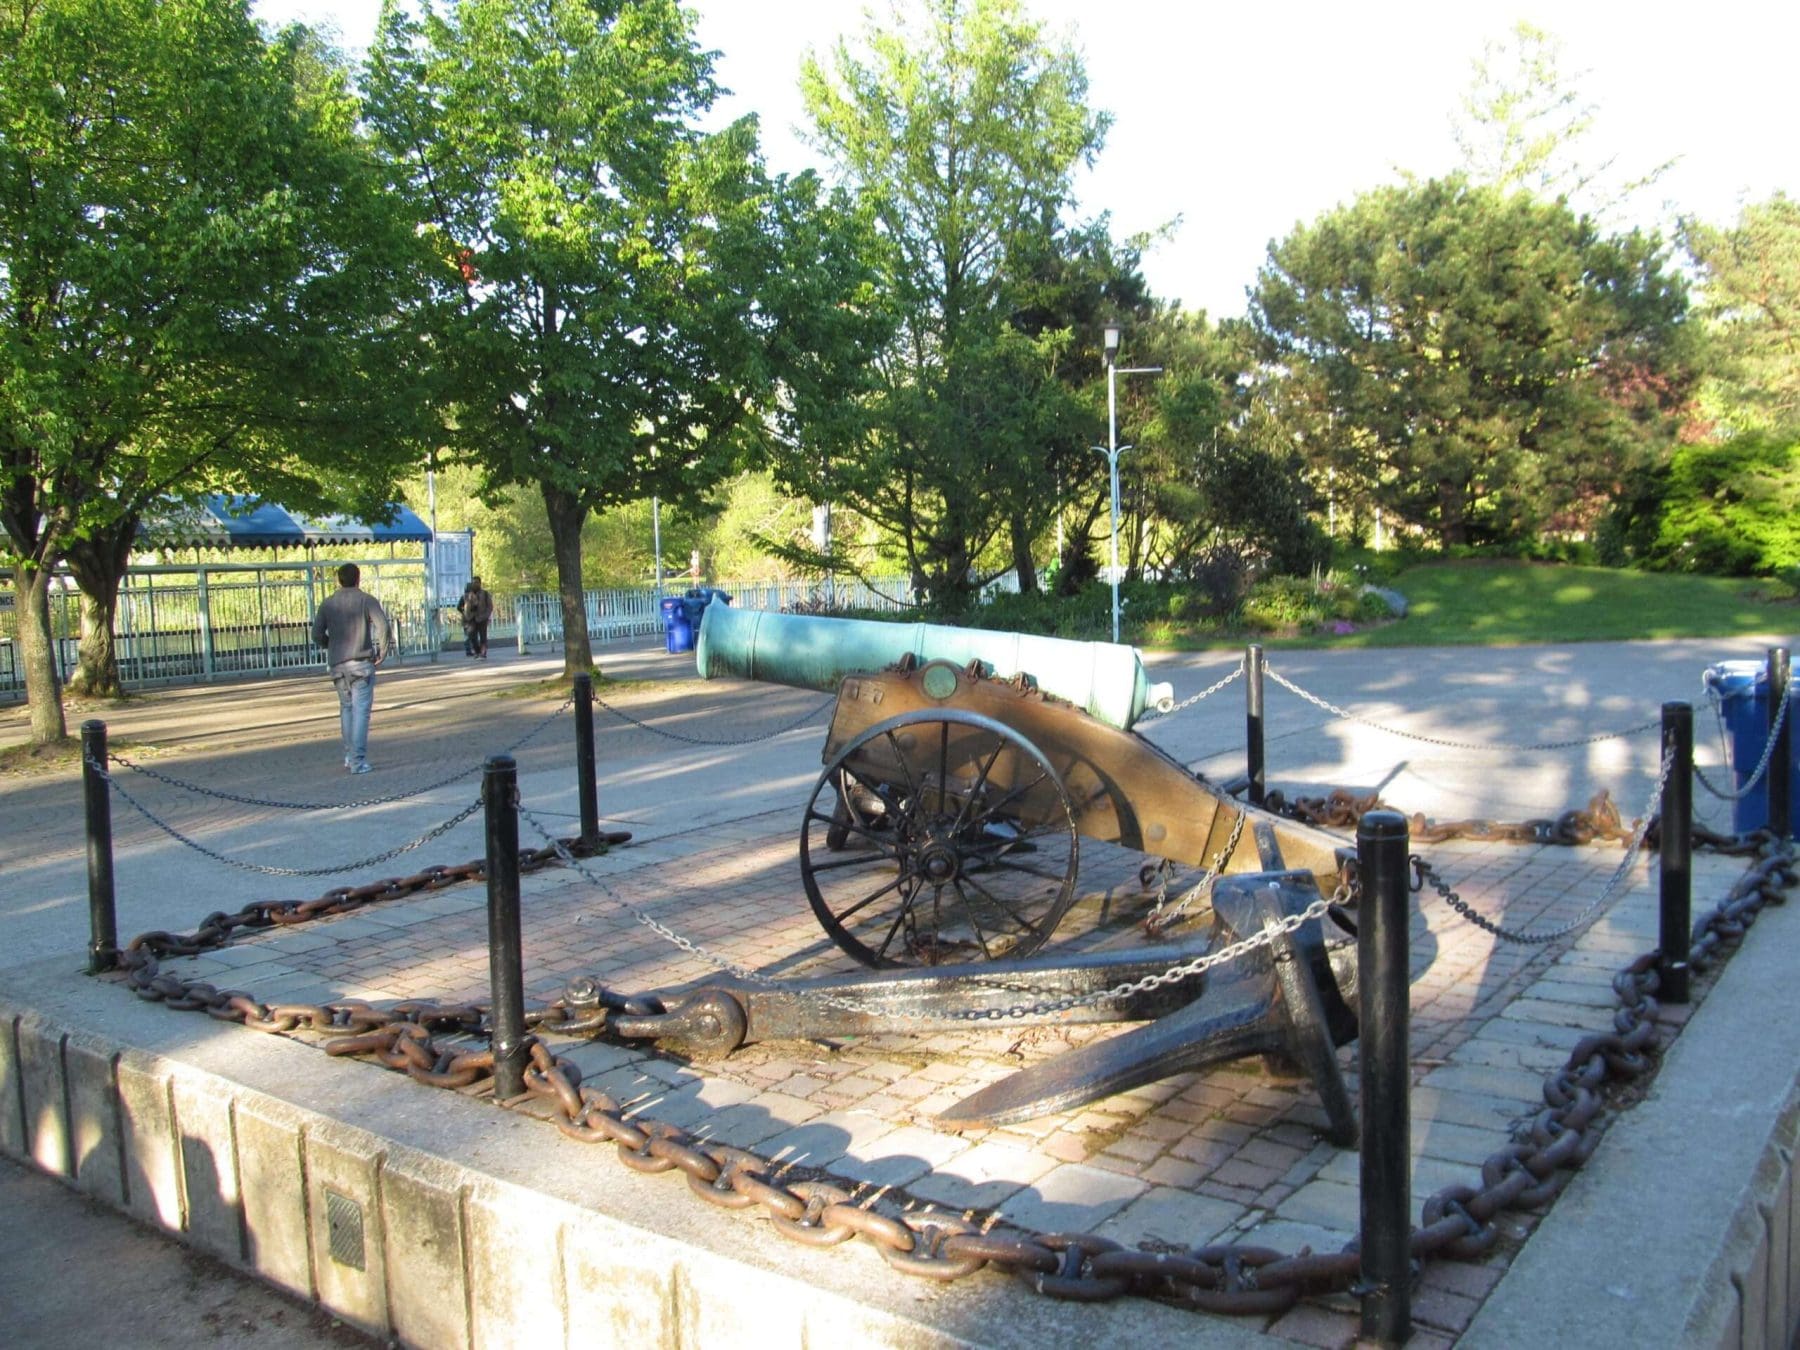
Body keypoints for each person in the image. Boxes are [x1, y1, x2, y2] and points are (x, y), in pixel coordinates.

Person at [311, 563, 391, 774]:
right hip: (361, 663)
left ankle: (349, 755)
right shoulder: (366, 600)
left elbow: (316, 634)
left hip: (338, 664)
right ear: (358, 578)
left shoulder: (327, 604)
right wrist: (382, 651)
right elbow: (383, 625)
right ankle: (358, 761)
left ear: (339, 580)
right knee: (361, 712)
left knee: (346, 708)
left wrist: (331, 645)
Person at [457, 576, 493, 658]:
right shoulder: (468, 595)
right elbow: (462, 606)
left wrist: (486, 615)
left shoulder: (485, 594)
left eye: (477, 582)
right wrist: (466, 614)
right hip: (471, 619)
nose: (475, 584)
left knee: (483, 636)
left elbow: (490, 607)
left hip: (482, 618)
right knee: (472, 636)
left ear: (480, 583)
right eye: (473, 583)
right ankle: (477, 651)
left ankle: (483, 652)